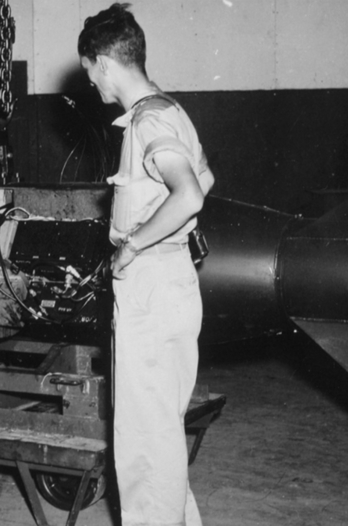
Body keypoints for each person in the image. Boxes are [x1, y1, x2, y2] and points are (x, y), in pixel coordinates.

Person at [78, 4, 215, 525]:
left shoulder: (148, 121)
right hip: (175, 280)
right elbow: (205, 180)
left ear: (104, 63)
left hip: (151, 287)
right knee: (161, 432)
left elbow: (189, 195)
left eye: (90, 71)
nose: (91, 83)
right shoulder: (171, 109)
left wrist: (133, 243)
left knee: (142, 442)